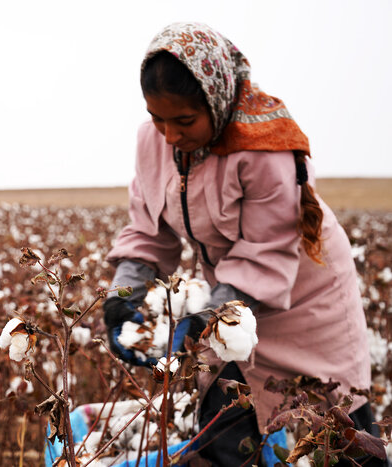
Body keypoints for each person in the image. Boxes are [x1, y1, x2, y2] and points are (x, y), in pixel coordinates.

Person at [103, 22, 383, 466]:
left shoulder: (263, 149)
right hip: (227, 293)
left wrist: (206, 320)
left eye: (184, 121)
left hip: (307, 289)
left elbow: (265, 253)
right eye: (157, 119)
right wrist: (125, 295)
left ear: (215, 102)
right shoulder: (151, 142)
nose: (170, 135)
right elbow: (148, 230)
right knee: (226, 418)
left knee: (335, 422)